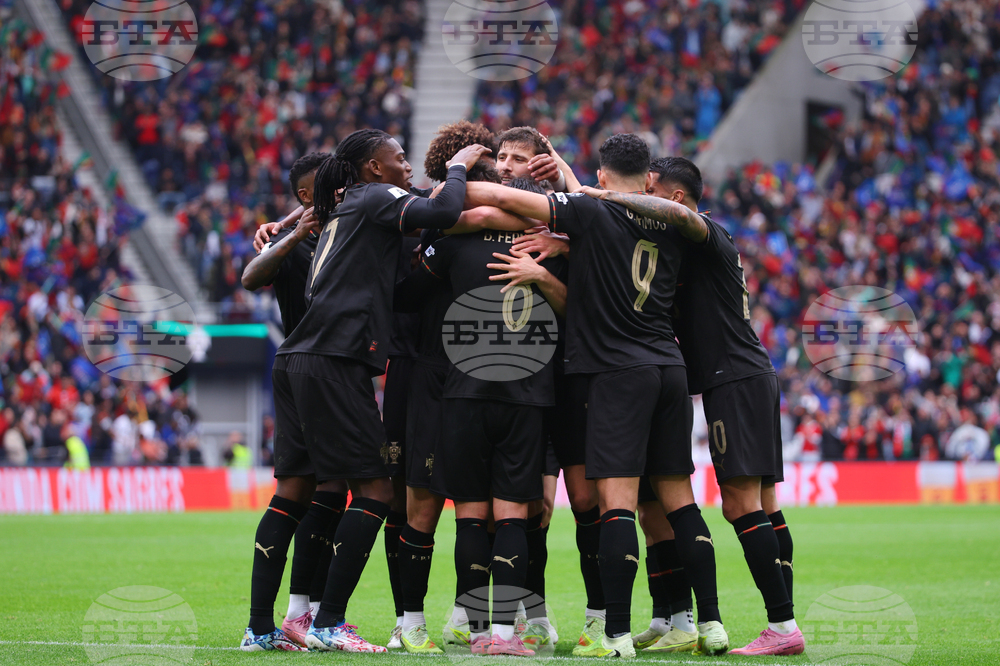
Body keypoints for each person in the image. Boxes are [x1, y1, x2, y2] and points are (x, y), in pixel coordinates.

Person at [464, 133, 728, 658]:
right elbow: (614, 205)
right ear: (649, 177)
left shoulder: (589, 212)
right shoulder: (676, 223)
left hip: (615, 373)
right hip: (669, 369)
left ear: (602, 175)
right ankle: (710, 622)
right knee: (680, 503)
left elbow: (512, 200)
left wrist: (458, 179)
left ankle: (615, 635)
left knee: (616, 507)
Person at [277, 129, 487, 653]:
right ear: (373, 167)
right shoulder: (375, 197)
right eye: (397, 159)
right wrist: (458, 167)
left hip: (322, 359)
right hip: (333, 360)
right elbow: (444, 211)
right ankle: (326, 621)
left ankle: (302, 616)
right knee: (374, 492)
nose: (406, 166)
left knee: (342, 491)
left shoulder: (352, 207)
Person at [597, 156, 803, 655]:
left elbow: (686, 219)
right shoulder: (689, 250)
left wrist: (613, 197)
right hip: (746, 376)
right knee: (766, 507)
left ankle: (782, 627)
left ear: (673, 199)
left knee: (740, 504)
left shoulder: (705, 230)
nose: (639, 197)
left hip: (733, 379)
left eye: (649, 191)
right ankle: (778, 623)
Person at [396, 178, 567, 657]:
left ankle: (474, 634)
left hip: (463, 392)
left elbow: (408, 295)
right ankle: (507, 638)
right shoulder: (548, 249)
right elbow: (576, 314)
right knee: (513, 516)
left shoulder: (455, 241)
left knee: (470, 517)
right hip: (527, 394)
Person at [238, 152, 350, 651]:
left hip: (331, 373)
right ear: (308, 195)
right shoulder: (294, 244)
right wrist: (290, 233)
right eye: (334, 185)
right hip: (310, 374)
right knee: (307, 492)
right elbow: (249, 278)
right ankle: (271, 621)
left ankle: (284, 618)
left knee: (318, 491)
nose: (346, 190)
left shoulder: (352, 232)